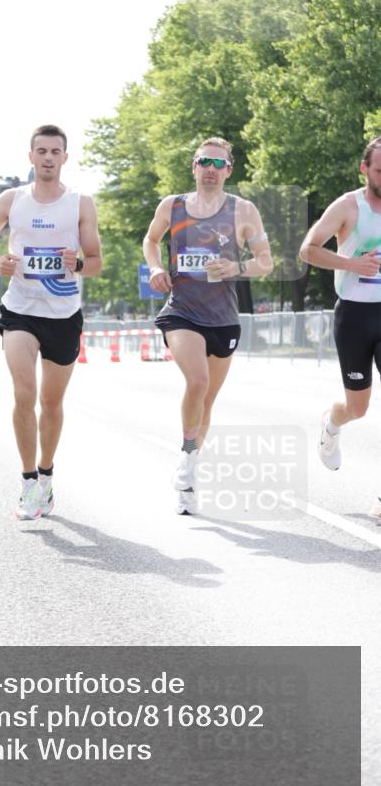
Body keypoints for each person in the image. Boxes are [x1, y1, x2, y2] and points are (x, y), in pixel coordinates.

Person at [0, 124, 102, 520]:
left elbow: (95, 262)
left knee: (51, 401)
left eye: (55, 151)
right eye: (41, 151)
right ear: (30, 157)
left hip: (63, 313)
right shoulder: (12, 200)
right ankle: (28, 480)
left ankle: (46, 475)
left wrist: (77, 263)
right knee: (24, 392)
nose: (48, 157)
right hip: (20, 309)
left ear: (65, 157)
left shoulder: (81, 203)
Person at [143, 137, 273, 514]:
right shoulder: (173, 206)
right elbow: (151, 240)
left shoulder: (243, 210)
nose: (211, 169)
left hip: (223, 318)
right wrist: (155, 268)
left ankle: (191, 469)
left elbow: (265, 261)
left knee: (208, 399)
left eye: (219, 163)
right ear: (194, 167)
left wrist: (237, 268)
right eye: (205, 162)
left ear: (229, 170)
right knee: (196, 382)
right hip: (182, 310)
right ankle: (185, 458)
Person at [299, 136, 381, 518]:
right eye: (380, 170)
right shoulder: (349, 206)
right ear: (365, 169)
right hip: (354, 315)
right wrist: (352, 265)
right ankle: (333, 422)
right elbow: (308, 249)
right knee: (357, 407)